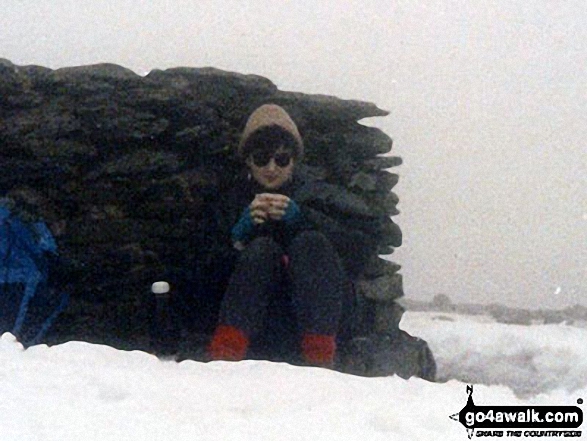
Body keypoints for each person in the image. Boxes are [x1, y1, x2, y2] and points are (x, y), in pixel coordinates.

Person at [207, 104, 352, 367]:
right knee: (262, 250)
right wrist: (238, 236)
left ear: (293, 162)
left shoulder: (316, 198)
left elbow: (351, 254)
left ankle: (319, 357)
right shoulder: (229, 201)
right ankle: (225, 354)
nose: (271, 168)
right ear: (249, 161)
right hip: (249, 321)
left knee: (311, 242)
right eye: (262, 158)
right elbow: (202, 272)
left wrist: (301, 221)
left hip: (303, 321)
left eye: (282, 159)